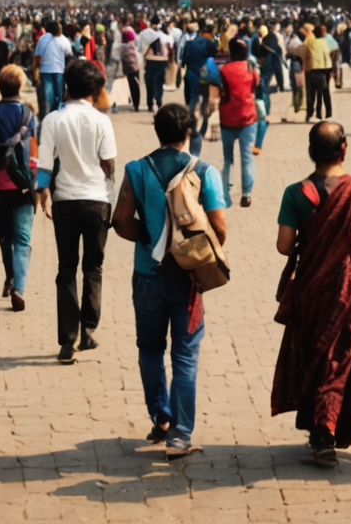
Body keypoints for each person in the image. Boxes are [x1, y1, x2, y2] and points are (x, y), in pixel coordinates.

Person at [111, 102, 227, 459]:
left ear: (157, 131)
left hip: (147, 274)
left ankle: (161, 416)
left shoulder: (135, 169)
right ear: (188, 132)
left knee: (149, 348)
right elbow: (219, 229)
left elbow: (120, 220)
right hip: (187, 279)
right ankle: (180, 435)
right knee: (185, 354)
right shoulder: (205, 171)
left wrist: (149, 239)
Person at [271, 121, 351, 468]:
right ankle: (325, 428)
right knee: (339, 358)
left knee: (314, 353)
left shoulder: (296, 193)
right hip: (349, 288)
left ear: (311, 151)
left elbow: (283, 246)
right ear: (344, 148)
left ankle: (320, 426)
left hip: (309, 286)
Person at [37, 58, 118, 363]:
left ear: (66, 86)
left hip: (65, 202)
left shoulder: (53, 120)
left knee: (66, 269)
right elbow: (109, 164)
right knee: (93, 268)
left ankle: (67, 339)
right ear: (95, 89)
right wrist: (110, 196)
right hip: (97, 201)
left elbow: (44, 166)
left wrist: (43, 195)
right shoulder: (102, 121)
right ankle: (89, 329)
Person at [0, 65, 38, 311]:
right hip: (22, 184)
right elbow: (33, 149)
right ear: (20, 87)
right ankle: (19, 288)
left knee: (5, 237)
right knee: (22, 238)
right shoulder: (28, 114)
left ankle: (10, 277)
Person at [214, 38, 260, 208]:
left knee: (228, 158)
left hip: (227, 117)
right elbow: (255, 86)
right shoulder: (250, 68)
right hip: (247, 117)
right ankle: (246, 193)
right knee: (247, 157)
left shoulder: (223, 70)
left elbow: (219, 89)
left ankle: (225, 193)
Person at [304, 24, 338, 122]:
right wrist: (331, 70)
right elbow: (329, 54)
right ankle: (328, 113)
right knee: (324, 93)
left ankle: (309, 114)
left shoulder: (310, 43)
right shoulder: (325, 42)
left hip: (311, 70)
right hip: (323, 70)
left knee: (310, 94)